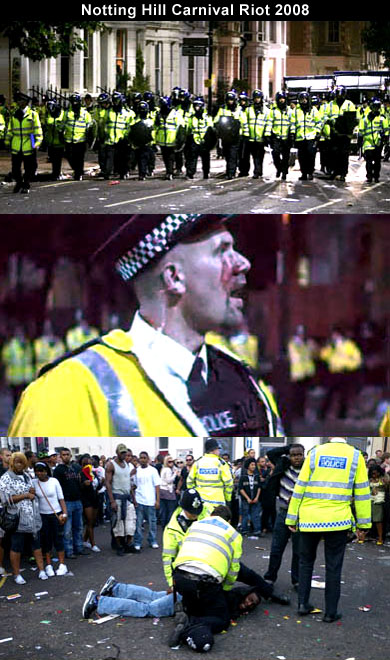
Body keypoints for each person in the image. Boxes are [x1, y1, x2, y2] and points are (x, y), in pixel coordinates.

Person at [9, 215, 282, 437]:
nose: (243, 264)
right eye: (222, 250)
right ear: (174, 278)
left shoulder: (244, 378)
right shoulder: (64, 392)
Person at [286, 437, 371, 622]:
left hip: (309, 519)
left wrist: (291, 517)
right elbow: (363, 492)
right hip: (337, 521)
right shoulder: (355, 456)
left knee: (305, 562)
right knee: (333, 567)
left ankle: (302, 604)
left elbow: (299, 487)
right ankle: (330, 613)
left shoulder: (314, 453)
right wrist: (364, 524)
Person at [169, 505, 242, 650]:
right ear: (228, 520)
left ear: (211, 514)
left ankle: (188, 614)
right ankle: (189, 623)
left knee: (197, 606)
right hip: (204, 583)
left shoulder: (195, 525)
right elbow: (233, 570)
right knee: (222, 620)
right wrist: (225, 590)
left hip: (180, 578)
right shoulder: (233, 535)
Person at [0, 452, 46, 584]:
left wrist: (32, 493)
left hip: (32, 516)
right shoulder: (5, 478)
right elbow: (5, 500)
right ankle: (16, 574)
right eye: (17, 462)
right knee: (16, 546)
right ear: (12, 463)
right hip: (18, 518)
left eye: (21, 462)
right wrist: (25, 495)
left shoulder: (26, 476)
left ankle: (41, 570)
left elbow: (32, 491)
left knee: (36, 544)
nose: (19, 465)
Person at [263, 444, 305, 587]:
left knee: (298, 551)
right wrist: (290, 447)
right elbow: (271, 453)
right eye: (293, 455)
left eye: (299, 454)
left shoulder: (309, 470)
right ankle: (270, 577)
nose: (297, 458)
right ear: (289, 456)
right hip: (283, 513)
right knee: (276, 548)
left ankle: (297, 580)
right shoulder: (282, 464)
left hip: (300, 516)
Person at [33, 462, 68, 577]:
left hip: (56, 514)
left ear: (46, 471)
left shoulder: (54, 481)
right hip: (42, 515)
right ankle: (48, 565)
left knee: (58, 539)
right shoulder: (33, 483)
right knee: (46, 541)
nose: (40, 473)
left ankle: (62, 565)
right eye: (37, 471)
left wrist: (65, 514)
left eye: (42, 471)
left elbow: (61, 498)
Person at [53, 448, 89, 559]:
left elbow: (82, 482)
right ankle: (69, 551)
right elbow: (56, 488)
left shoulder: (76, 468)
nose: (66, 456)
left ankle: (79, 548)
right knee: (67, 529)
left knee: (78, 527)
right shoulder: (58, 470)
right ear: (60, 456)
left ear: (71, 455)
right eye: (64, 455)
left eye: (68, 454)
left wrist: (85, 482)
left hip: (78, 500)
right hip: (66, 502)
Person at [319, 327, 362, 420]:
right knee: (329, 394)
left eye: (335, 335)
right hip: (333, 373)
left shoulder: (349, 345)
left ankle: (342, 415)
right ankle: (322, 414)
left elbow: (357, 360)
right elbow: (323, 356)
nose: (334, 337)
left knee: (344, 395)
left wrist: (348, 366)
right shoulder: (331, 346)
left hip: (344, 373)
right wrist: (329, 348)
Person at [4, 91, 42, 193]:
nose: (18, 103)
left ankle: (26, 183)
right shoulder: (14, 114)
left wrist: (36, 144)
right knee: (15, 169)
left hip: (29, 144)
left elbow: (37, 131)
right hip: (16, 145)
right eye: (18, 101)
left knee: (30, 168)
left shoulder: (33, 115)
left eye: (21, 101)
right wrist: (7, 142)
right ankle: (19, 182)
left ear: (26, 102)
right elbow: (10, 130)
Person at [105, 443, 136, 556]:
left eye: (125, 452)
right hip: (117, 498)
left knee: (130, 524)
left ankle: (128, 545)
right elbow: (107, 483)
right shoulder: (111, 465)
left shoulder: (127, 465)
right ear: (117, 452)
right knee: (118, 525)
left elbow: (128, 483)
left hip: (127, 498)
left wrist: (134, 498)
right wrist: (112, 501)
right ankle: (119, 546)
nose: (124, 454)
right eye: (122, 452)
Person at [187, 438, 233, 507]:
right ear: (214, 450)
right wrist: (228, 498)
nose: (219, 452)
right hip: (218, 503)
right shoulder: (221, 463)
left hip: (201, 502)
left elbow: (189, 481)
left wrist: (195, 494)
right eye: (218, 449)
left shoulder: (198, 463)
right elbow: (229, 483)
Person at [214, 91, 249, 179]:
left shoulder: (239, 110)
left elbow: (244, 122)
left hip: (236, 136)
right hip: (225, 136)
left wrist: (245, 134)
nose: (230, 102)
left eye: (231, 100)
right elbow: (216, 120)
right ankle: (230, 169)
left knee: (233, 154)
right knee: (226, 154)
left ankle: (231, 173)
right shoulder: (222, 109)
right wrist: (217, 126)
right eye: (228, 100)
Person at [62, 92, 95, 180]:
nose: (74, 104)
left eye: (76, 102)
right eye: (73, 102)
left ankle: (78, 173)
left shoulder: (85, 113)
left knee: (79, 158)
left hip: (80, 140)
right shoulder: (67, 113)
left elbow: (90, 126)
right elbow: (63, 124)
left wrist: (89, 138)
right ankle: (76, 169)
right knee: (69, 156)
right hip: (69, 139)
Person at [291, 92, 322, 181]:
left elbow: (319, 122)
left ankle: (310, 172)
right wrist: (293, 133)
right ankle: (304, 173)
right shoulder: (296, 111)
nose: (303, 101)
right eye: (301, 99)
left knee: (311, 155)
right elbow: (293, 123)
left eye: (305, 99)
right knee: (302, 157)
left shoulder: (313, 110)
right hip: (300, 137)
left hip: (311, 137)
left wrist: (317, 132)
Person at [133, 451, 161, 551]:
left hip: (150, 501)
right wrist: (134, 499)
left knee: (152, 522)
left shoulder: (153, 470)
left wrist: (157, 500)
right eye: (141, 458)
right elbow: (134, 485)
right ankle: (137, 542)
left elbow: (157, 486)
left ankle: (152, 540)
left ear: (148, 459)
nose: (143, 460)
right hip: (140, 500)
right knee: (138, 523)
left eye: (145, 458)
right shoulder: (136, 471)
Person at [288, 325, 316, 419]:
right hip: (296, 374)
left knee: (302, 396)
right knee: (297, 396)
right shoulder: (294, 345)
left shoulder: (304, 345)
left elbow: (308, 358)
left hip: (304, 374)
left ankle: (300, 413)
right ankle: (296, 413)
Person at [358, 97, 388, 183]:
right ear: (371, 107)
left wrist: (385, 138)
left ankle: (376, 176)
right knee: (369, 161)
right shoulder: (365, 119)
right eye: (374, 106)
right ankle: (369, 176)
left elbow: (386, 130)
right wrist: (360, 141)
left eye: (377, 107)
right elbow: (361, 131)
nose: (376, 109)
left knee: (377, 161)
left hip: (378, 143)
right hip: (368, 143)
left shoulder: (382, 118)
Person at [264, 91, 294, 181]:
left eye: (283, 98)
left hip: (286, 137)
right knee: (275, 154)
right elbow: (269, 123)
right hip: (276, 137)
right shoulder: (273, 111)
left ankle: (284, 172)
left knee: (286, 156)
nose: (282, 100)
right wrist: (267, 134)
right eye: (280, 98)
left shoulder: (290, 111)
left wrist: (292, 133)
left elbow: (292, 123)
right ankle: (279, 168)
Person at [186, 97, 215, 180]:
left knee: (205, 158)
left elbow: (210, 128)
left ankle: (206, 172)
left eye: (198, 106)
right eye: (195, 106)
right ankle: (190, 173)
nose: (196, 108)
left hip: (204, 141)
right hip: (195, 140)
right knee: (192, 157)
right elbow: (189, 128)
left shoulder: (207, 117)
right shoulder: (192, 117)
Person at [79, 454, 101, 553]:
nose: (89, 462)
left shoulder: (93, 473)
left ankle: (84, 540)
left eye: (90, 460)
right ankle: (93, 544)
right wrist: (84, 484)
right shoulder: (81, 473)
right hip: (86, 499)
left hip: (95, 498)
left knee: (92, 522)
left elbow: (97, 487)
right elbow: (80, 487)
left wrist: (102, 483)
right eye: (87, 460)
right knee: (89, 521)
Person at [238, 457, 262, 537]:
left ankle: (257, 530)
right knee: (245, 514)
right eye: (252, 465)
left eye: (254, 465)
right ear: (248, 466)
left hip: (255, 498)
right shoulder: (243, 477)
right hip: (246, 499)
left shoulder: (256, 476)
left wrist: (257, 497)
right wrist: (247, 498)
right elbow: (241, 489)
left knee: (255, 514)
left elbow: (259, 487)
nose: (253, 467)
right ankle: (244, 530)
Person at [44, 100, 65, 180]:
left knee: (58, 159)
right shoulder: (49, 114)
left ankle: (56, 173)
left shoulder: (61, 113)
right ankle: (55, 173)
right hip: (51, 141)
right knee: (53, 158)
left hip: (59, 141)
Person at [160, 455, 180, 529]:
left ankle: (163, 525)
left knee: (164, 510)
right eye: (169, 461)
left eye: (172, 461)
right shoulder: (168, 470)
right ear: (166, 462)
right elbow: (169, 480)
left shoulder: (163, 469)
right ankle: (168, 525)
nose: (171, 463)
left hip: (162, 490)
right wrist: (175, 474)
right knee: (170, 510)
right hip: (168, 491)